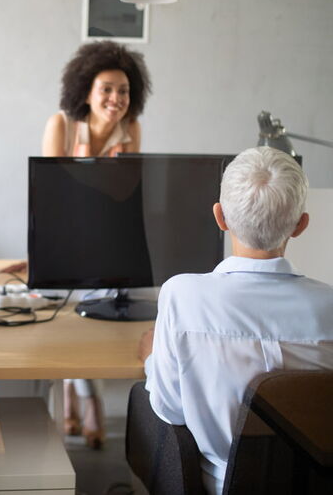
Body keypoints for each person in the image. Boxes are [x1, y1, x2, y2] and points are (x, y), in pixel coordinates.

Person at [139, 146, 333, 495]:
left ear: (221, 217)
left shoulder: (182, 296)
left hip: (222, 484)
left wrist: (152, 358)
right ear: (301, 224)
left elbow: (169, 410)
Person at [42, 40, 152, 449]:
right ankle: (89, 407)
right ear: (86, 91)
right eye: (106, 88)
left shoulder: (132, 130)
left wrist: (89, 174)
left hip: (109, 243)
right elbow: (51, 198)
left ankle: (74, 399)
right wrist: (100, 175)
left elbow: (126, 199)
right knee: (72, 323)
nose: (116, 99)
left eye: (123, 90)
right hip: (64, 243)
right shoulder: (62, 127)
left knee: (96, 319)